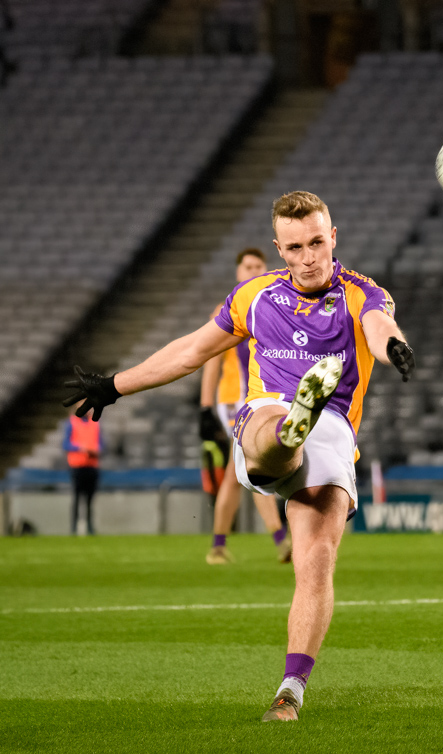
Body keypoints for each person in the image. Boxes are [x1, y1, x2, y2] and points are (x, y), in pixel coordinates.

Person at [62, 191, 415, 721]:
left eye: (318, 242)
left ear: (333, 237)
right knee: (270, 434)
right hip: (267, 410)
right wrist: (115, 385)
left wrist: (394, 349)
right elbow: (190, 351)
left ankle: (290, 691)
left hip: (333, 427)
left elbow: (379, 326)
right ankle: (291, 431)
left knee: (316, 560)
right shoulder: (255, 296)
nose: (309, 256)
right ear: (280, 248)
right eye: (295, 247)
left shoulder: (362, 293)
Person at [199, 247, 290, 565]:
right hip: (232, 402)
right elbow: (209, 360)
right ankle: (281, 539)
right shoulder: (227, 309)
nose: (252, 271)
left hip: (255, 400)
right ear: (238, 272)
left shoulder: (274, 308)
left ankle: (218, 546)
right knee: (256, 465)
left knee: (235, 477)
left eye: (258, 266)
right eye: (247, 266)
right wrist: (205, 407)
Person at [63, 408, 101, 535]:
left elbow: (101, 444)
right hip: (77, 466)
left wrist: (96, 450)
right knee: (77, 499)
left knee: (90, 500)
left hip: (92, 466)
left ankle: (90, 528)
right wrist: (80, 448)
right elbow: (65, 444)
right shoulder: (72, 423)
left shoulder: (95, 423)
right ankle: (73, 528)